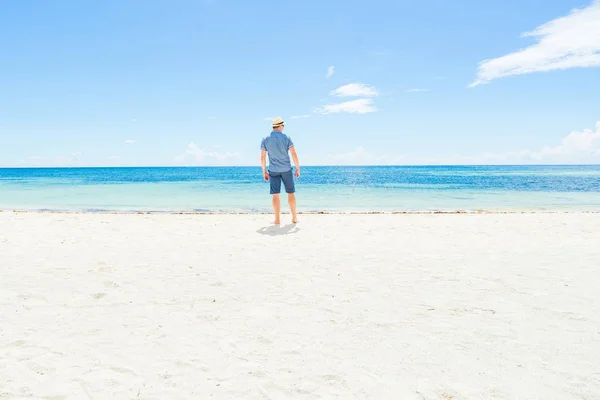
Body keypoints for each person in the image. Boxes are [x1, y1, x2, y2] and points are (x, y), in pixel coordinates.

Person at [260, 117, 300, 225]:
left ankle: (277, 220)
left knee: (275, 195)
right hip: (286, 169)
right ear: (280, 126)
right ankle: (294, 217)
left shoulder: (265, 139)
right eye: (284, 125)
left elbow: (262, 157)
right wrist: (297, 168)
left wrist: (264, 171)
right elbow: (293, 153)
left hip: (273, 170)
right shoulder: (286, 138)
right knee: (290, 193)